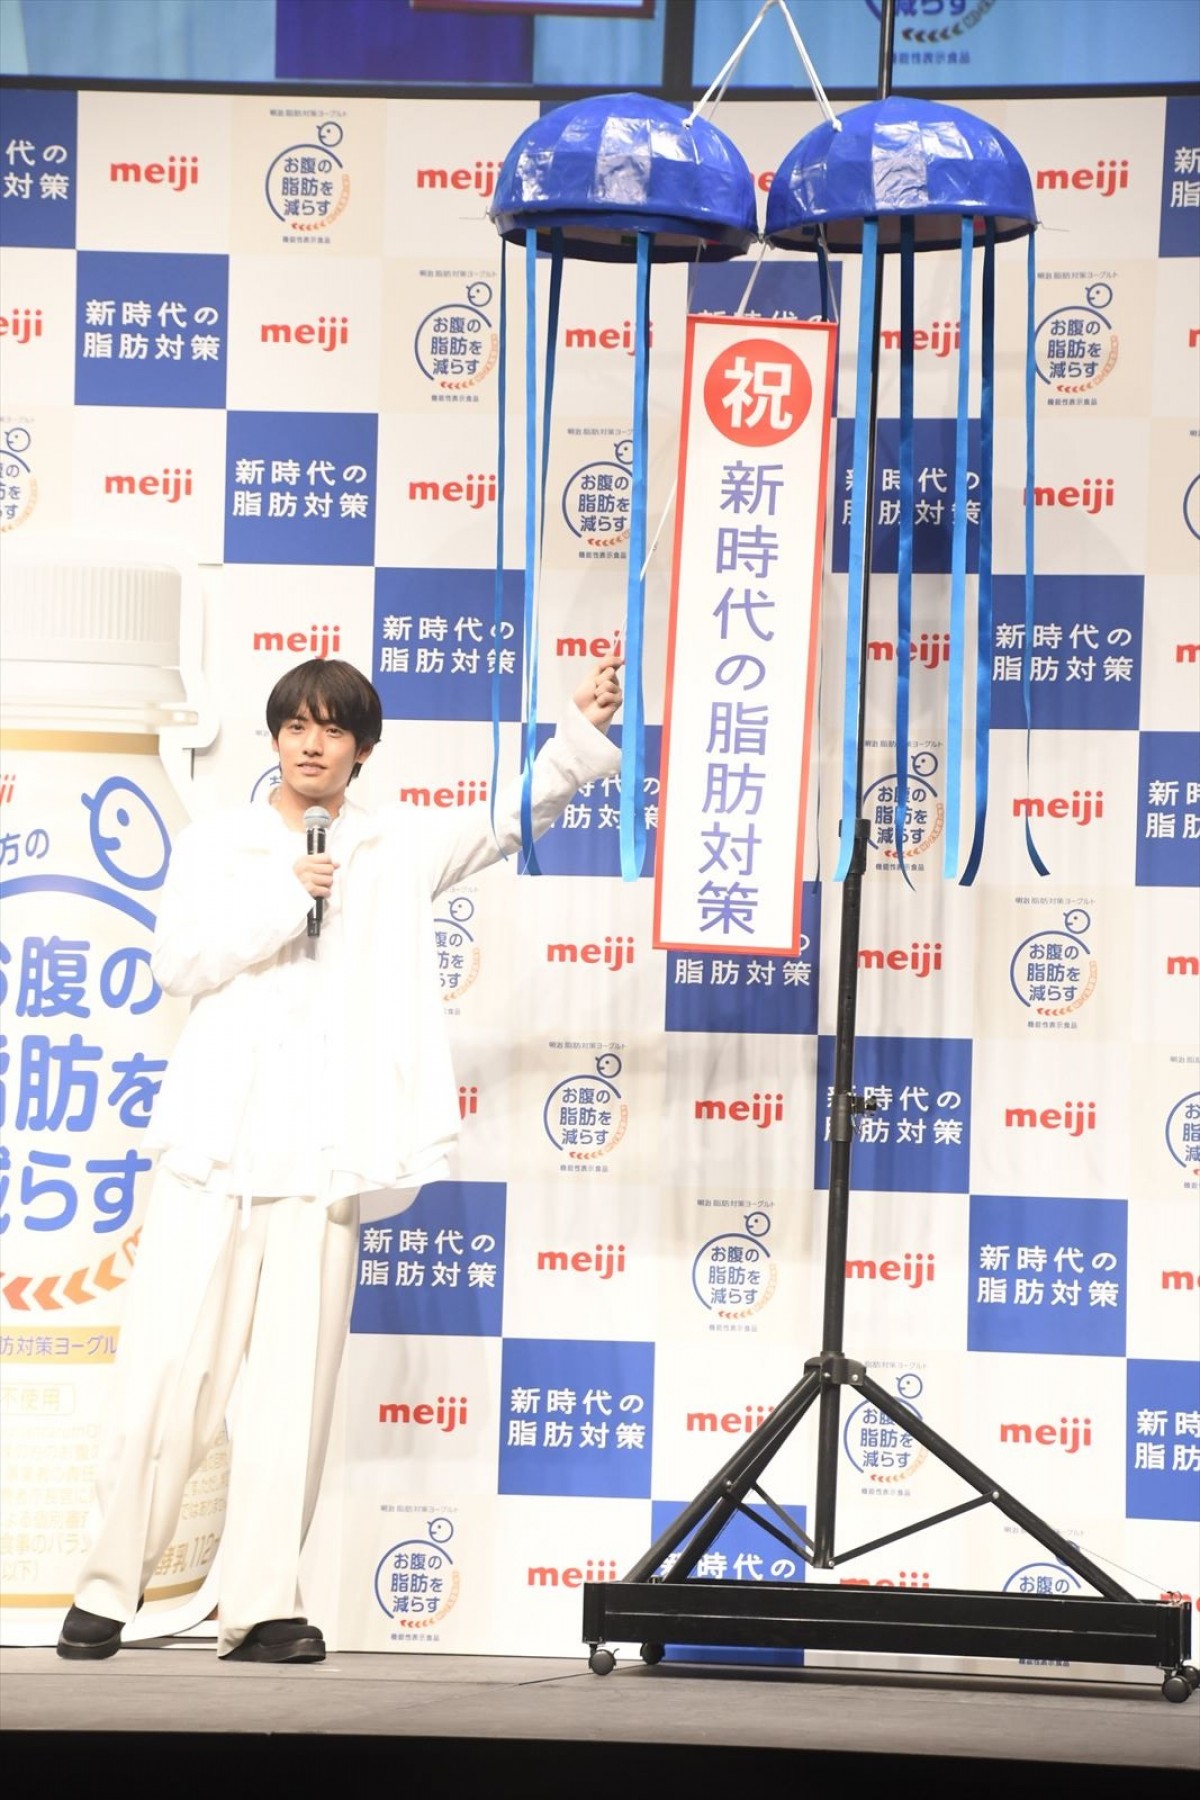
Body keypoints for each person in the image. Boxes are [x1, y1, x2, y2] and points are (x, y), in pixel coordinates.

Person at [57, 655, 623, 1664]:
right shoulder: (219, 842)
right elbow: (176, 963)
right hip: (211, 1152)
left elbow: (503, 821)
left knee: (293, 1396)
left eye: (332, 729)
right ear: (276, 737)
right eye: (296, 726)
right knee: (167, 1375)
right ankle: (106, 1586)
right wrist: (286, 897)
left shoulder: (389, 846)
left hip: (322, 1161)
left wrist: (575, 734)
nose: (311, 744)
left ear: (362, 748)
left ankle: (262, 1605)